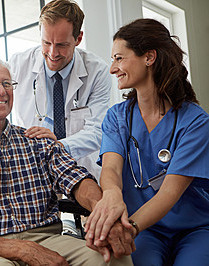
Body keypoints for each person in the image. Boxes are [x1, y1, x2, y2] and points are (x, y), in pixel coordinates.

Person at [0, 55, 133, 265]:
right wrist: (22, 249)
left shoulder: (37, 141)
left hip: (48, 238)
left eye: (6, 84)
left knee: (111, 258)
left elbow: (76, 179)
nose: (1, 91)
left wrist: (103, 212)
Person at [84, 19, 209, 266]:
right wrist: (111, 195)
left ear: (149, 58)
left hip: (195, 228)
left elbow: (170, 192)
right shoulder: (117, 117)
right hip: (146, 230)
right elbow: (110, 168)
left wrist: (127, 227)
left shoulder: (195, 122)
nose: (112, 68)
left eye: (119, 58)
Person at [0, 0, 111, 178]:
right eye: (46, 43)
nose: (52, 53)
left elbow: (97, 130)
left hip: (80, 164)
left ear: (78, 39)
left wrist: (59, 146)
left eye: (61, 45)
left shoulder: (97, 71)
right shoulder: (19, 63)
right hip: (33, 167)